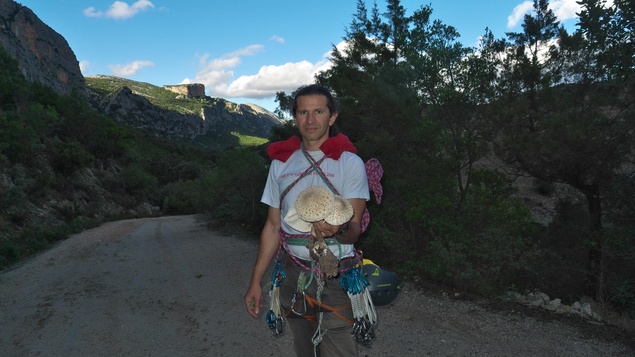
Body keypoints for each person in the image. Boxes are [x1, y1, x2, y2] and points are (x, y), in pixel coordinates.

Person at [244, 84, 370, 356]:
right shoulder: (281, 164)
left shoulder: (349, 163)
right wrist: (255, 281)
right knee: (304, 347)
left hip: (337, 274)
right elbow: (272, 226)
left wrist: (338, 230)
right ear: (295, 117)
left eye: (318, 111)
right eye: (303, 112)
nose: (310, 120)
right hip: (291, 274)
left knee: (339, 348)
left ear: (332, 117)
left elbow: (355, 228)